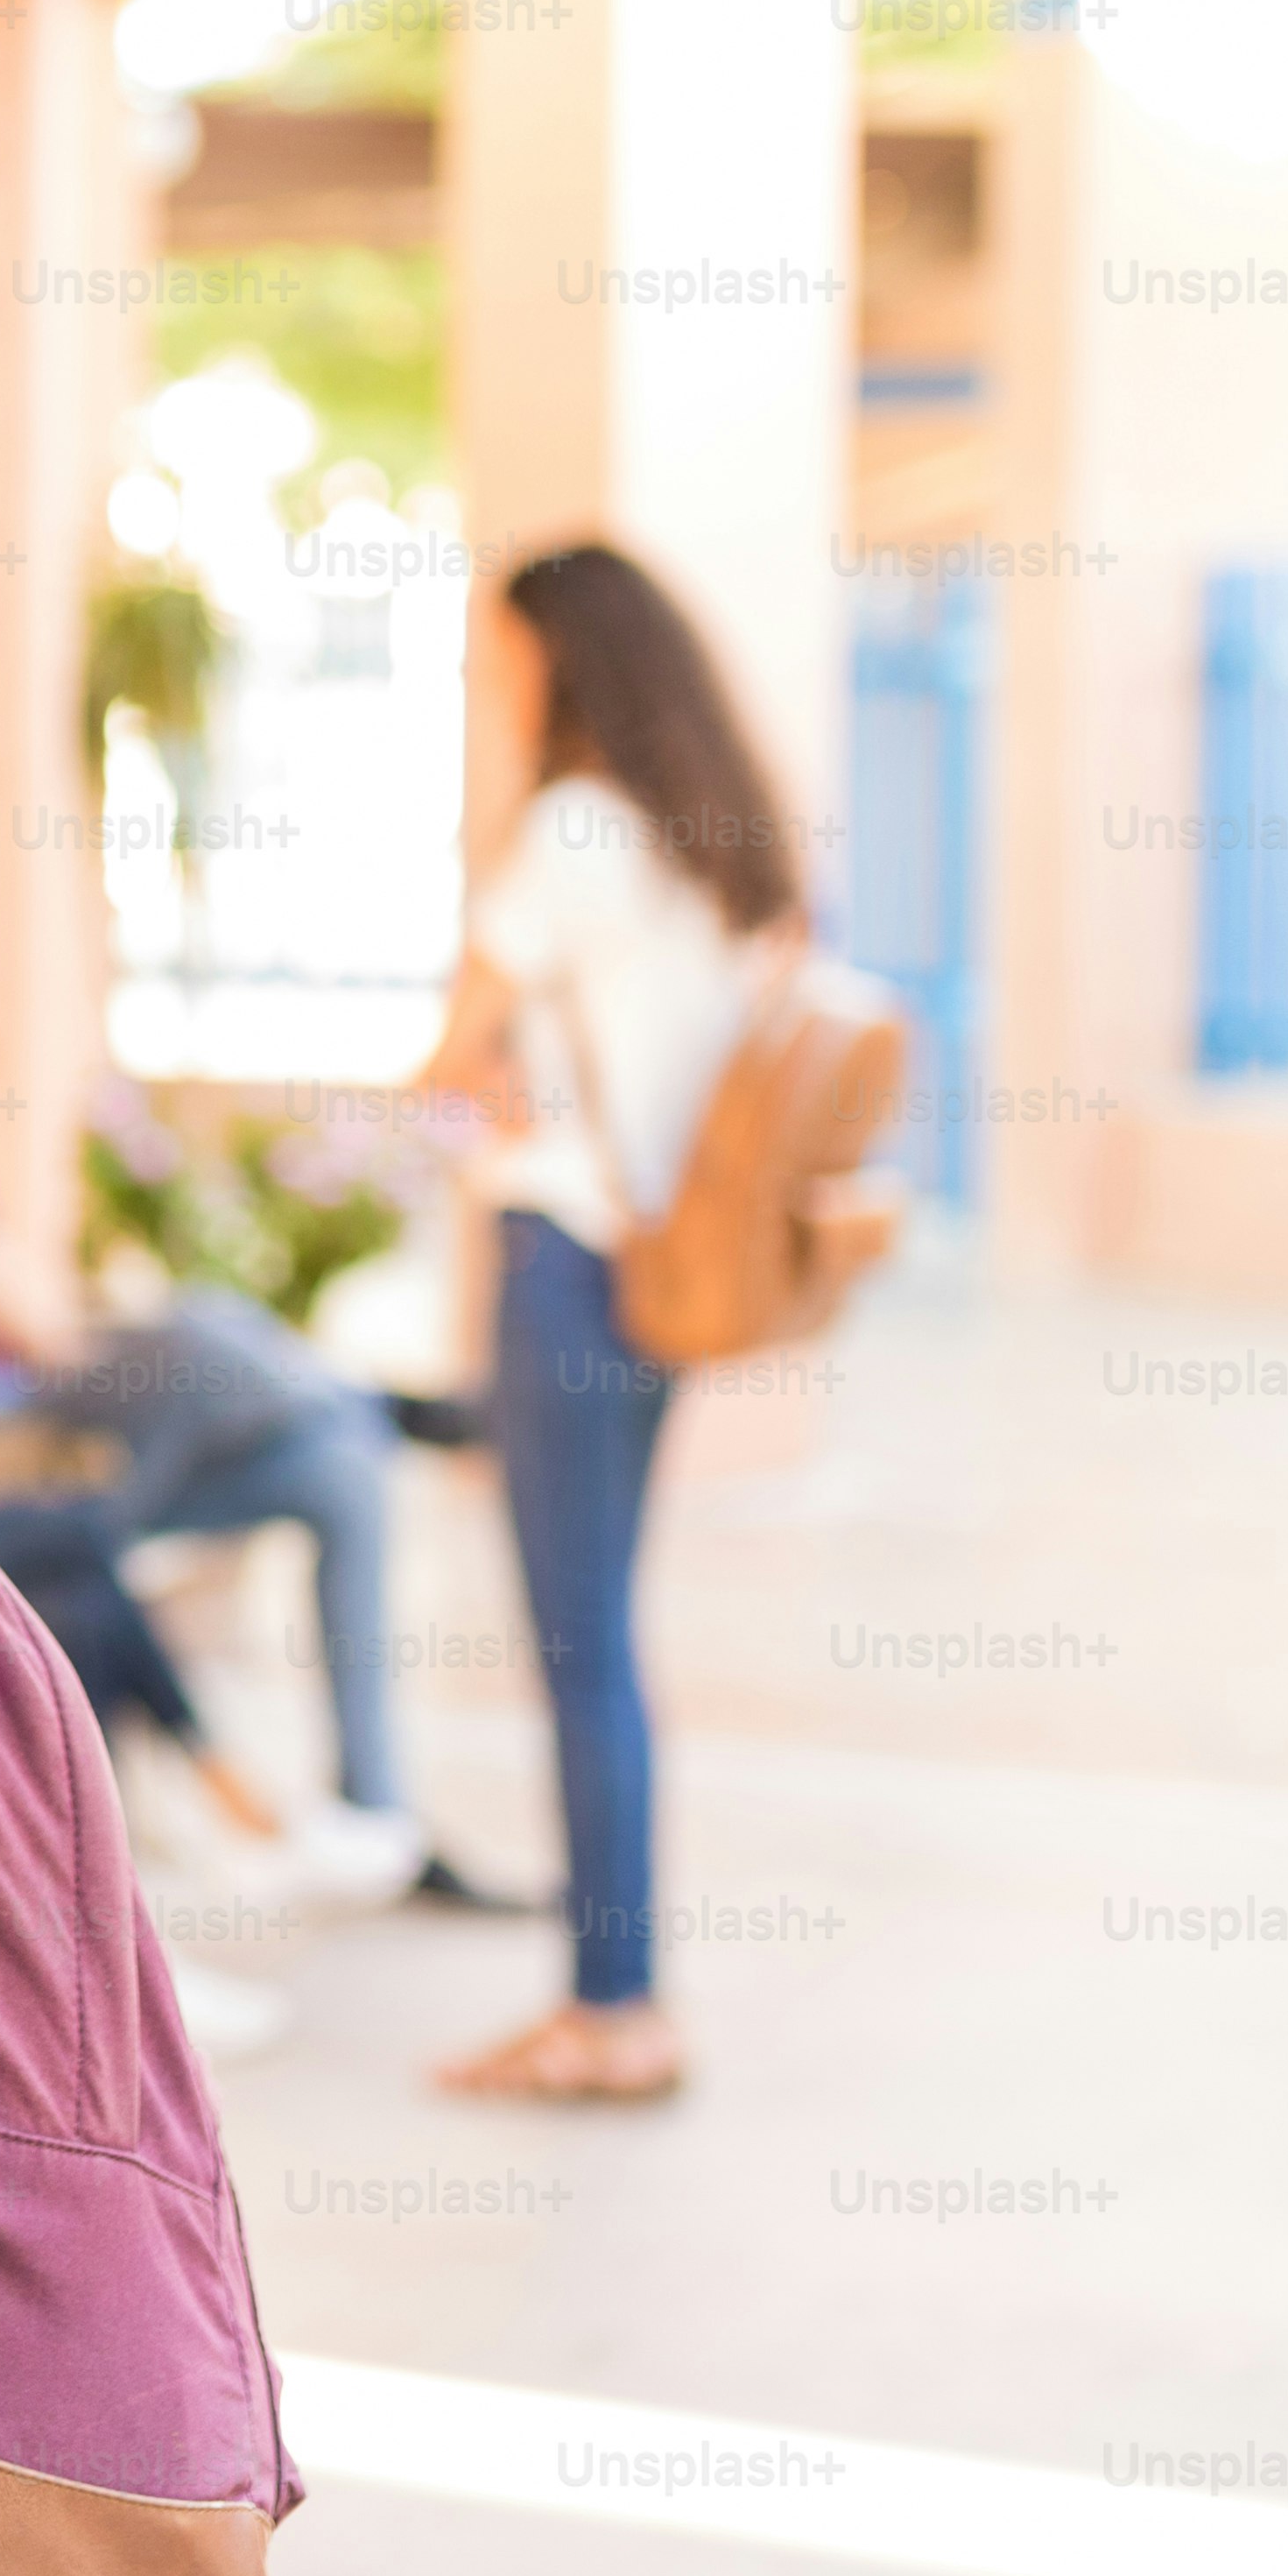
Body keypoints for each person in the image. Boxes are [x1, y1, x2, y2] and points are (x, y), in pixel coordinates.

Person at [0, 910, 496, 1909]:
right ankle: (380, 1401)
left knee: (341, 1470)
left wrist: (82, 1343)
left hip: (39, 1401)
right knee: (210, 1326)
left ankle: (378, 1816)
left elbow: (24, 1313)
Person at [409, 540, 796, 2105]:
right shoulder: (705, 839)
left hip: (563, 1254)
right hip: (654, 1266)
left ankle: (609, 2007)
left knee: (576, 1643)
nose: (490, 684)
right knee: (605, 1638)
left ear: (556, 660)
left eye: (500, 656)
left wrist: (483, 1097)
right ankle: (619, 1987)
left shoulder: (566, 829)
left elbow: (452, 1048)